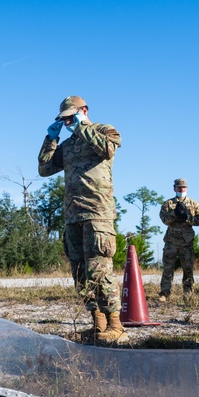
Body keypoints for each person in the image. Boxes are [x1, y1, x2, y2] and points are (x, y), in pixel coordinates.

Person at [38, 95, 127, 343]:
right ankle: (98, 323)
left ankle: (116, 326)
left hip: (97, 212)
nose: (67, 121)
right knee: (79, 272)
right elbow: (44, 169)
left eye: (70, 116)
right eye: (64, 118)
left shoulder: (104, 131)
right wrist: (51, 139)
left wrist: (83, 127)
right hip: (72, 214)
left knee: (99, 271)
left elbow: (108, 149)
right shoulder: (67, 144)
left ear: (83, 110)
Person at [158, 178, 199, 302]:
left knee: (188, 269)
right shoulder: (168, 204)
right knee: (168, 268)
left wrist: (186, 217)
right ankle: (164, 293)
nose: (181, 189)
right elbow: (164, 220)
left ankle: (188, 294)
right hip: (171, 241)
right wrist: (174, 214)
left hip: (186, 242)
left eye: (183, 187)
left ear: (186, 188)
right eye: (179, 187)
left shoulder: (194, 204)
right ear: (174, 188)